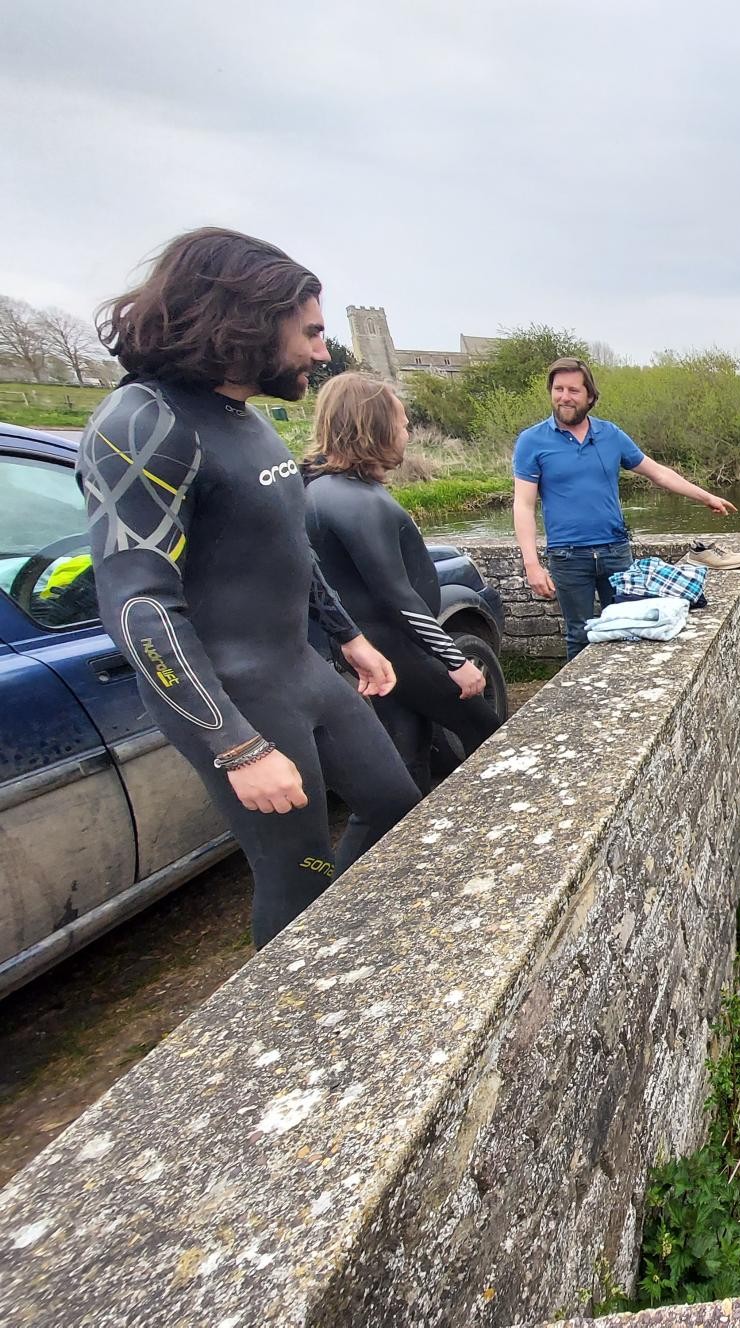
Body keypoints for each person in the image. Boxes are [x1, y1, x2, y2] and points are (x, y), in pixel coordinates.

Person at [78, 228, 421, 947]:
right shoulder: (144, 423)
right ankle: (301, 1011)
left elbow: (289, 545)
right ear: (247, 320)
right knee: (297, 869)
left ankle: (341, 937)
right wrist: (236, 746)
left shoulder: (245, 419)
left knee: (395, 807)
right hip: (233, 695)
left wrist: (348, 636)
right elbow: (139, 605)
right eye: (311, 333)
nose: (322, 353)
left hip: (299, 666)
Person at [303, 372, 502, 799]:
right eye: (402, 422)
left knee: (409, 760)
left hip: (380, 651)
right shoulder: (359, 500)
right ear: (373, 426)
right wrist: (454, 659)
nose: (408, 432)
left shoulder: (323, 490)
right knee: (491, 735)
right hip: (399, 649)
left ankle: (387, 857)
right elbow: (396, 594)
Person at [512, 356, 737, 658]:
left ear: (589, 396)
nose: (564, 397)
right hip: (567, 556)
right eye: (558, 389)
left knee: (630, 627)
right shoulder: (532, 441)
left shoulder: (610, 435)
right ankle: (587, 704)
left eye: (573, 390)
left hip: (615, 551)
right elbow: (523, 505)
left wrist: (705, 497)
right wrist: (532, 565)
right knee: (580, 634)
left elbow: (657, 472)